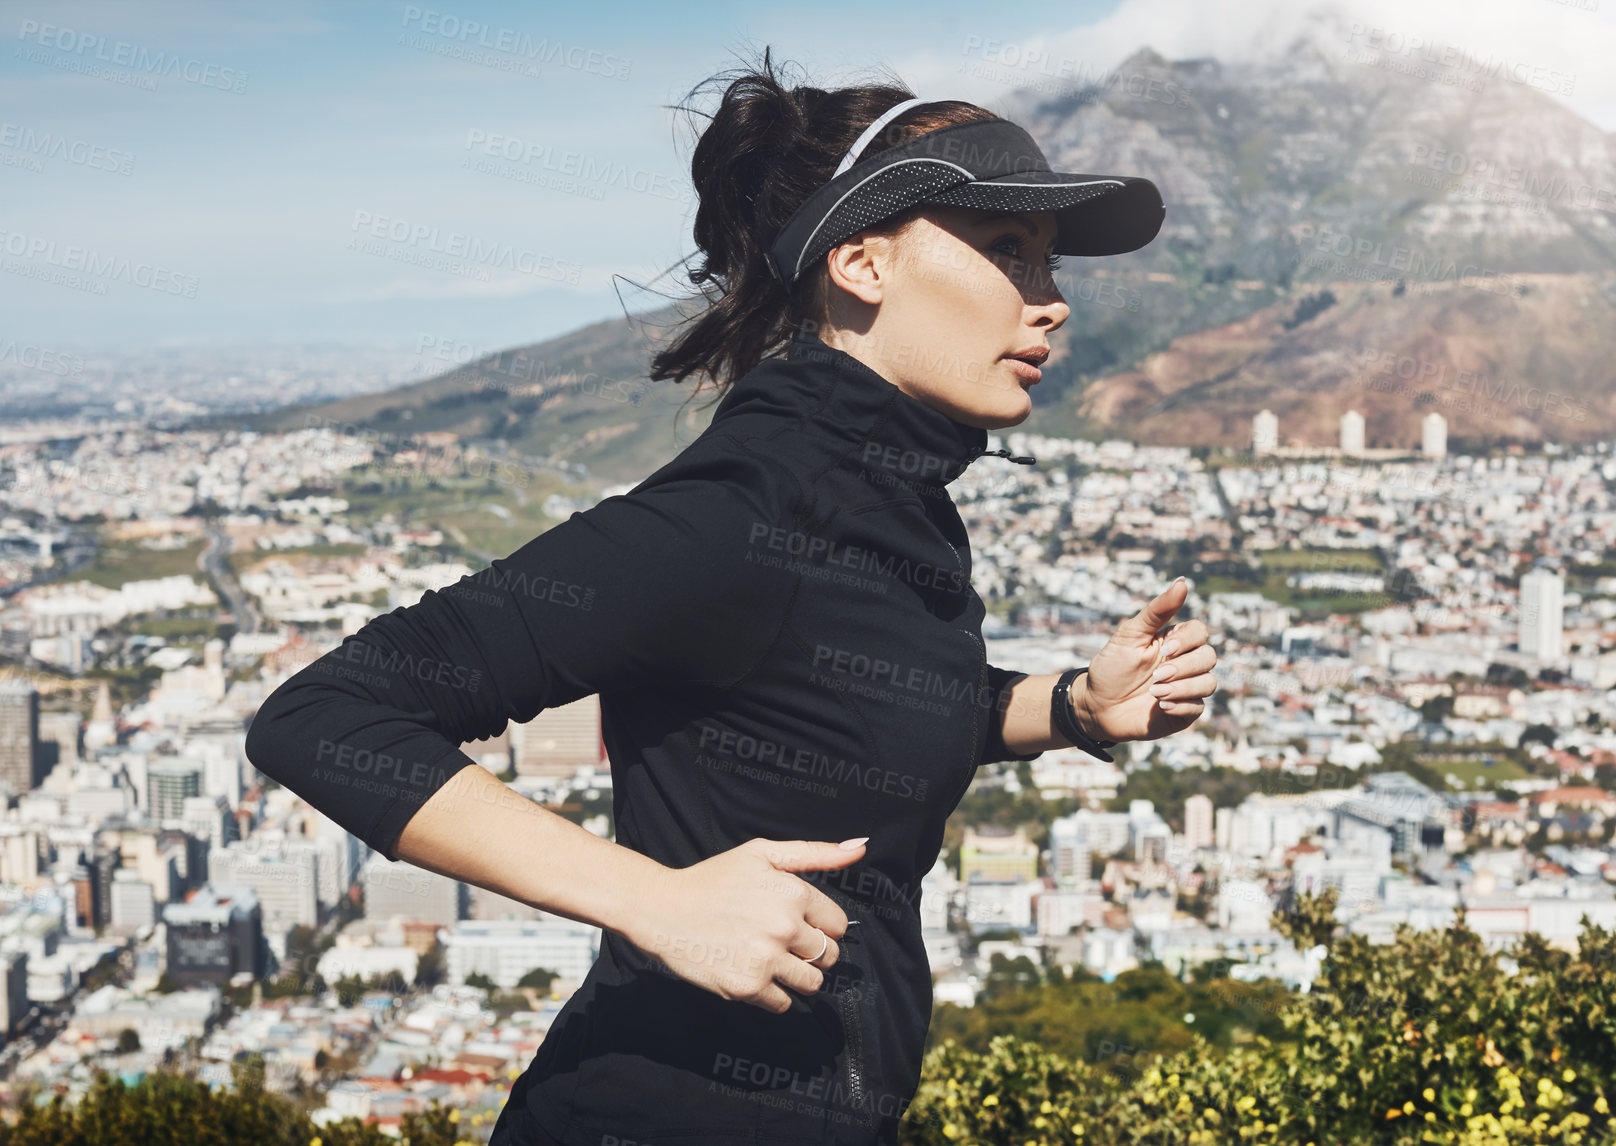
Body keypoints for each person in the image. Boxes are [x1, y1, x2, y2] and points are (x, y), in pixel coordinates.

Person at [245, 50, 1218, 1146]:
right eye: (1007, 253)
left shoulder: (889, 499)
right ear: (861, 261)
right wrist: (652, 901)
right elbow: (324, 716)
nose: (1052, 303)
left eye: (1047, 263)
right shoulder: (744, 513)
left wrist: (1077, 708)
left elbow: (848, 700)